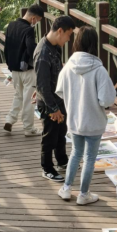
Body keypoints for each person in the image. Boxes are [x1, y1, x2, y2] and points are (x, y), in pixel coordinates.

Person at [56, 26, 116, 205]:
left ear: (77, 42)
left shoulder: (68, 67)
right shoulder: (99, 69)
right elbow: (106, 100)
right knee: (89, 158)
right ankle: (83, 194)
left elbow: (60, 91)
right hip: (94, 122)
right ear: (94, 44)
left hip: (75, 120)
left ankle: (66, 188)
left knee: (75, 153)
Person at [34, 15, 75, 182]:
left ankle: (62, 160)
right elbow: (42, 86)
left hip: (58, 98)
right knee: (49, 136)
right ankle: (47, 168)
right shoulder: (43, 53)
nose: (69, 39)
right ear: (60, 31)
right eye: (68, 35)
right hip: (49, 102)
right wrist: (54, 109)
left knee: (61, 133)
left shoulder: (55, 46)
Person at [4, 5, 44, 137]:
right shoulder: (29, 30)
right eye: (37, 20)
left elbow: (6, 47)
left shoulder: (11, 25)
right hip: (27, 70)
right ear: (33, 18)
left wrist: (10, 65)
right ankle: (28, 128)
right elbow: (31, 48)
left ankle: (10, 119)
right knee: (28, 99)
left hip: (14, 69)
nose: (36, 23)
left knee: (18, 95)